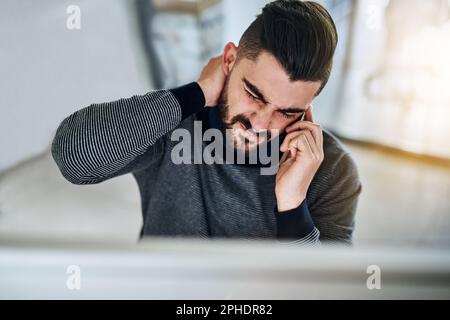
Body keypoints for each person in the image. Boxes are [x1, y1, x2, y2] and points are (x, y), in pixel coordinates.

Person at [52, 0, 362, 245]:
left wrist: (293, 204)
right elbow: (73, 158)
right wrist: (195, 93)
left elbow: (321, 293)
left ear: (308, 109)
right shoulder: (170, 124)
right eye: (254, 94)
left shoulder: (332, 170)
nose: (261, 123)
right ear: (229, 60)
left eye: (288, 111)